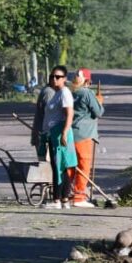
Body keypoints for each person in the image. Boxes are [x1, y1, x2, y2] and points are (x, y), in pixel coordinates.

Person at [38, 65, 76, 209]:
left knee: (59, 167)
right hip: (53, 134)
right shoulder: (57, 93)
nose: (54, 79)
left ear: (64, 79)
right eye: (52, 76)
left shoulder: (65, 92)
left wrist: (64, 133)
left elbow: (69, 114)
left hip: (60, 133)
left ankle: (57, 200)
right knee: (60, 167)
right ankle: (64, 200)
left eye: (58, 77)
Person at [69, 68, 104, 208]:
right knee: (84, 166)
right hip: (84, 135)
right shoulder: (87, 93)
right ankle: (79, 197)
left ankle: (66, 194)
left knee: (70, 166)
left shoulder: (70, 92)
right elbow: (98, 112)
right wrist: (99, 101)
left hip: (70, 133)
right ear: (88, 81)